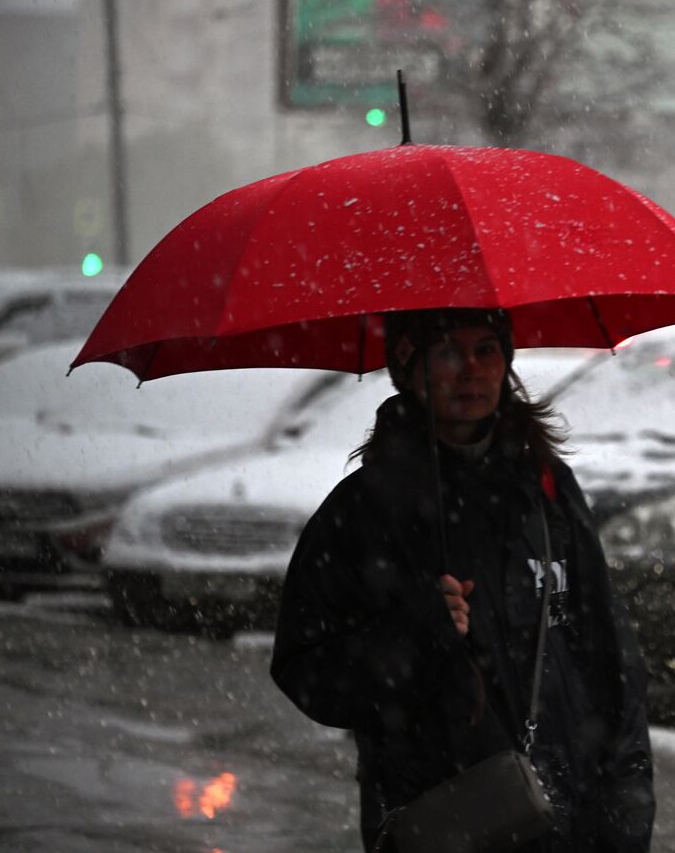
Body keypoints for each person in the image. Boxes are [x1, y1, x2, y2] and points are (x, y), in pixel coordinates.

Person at [270, 307, 654, 852]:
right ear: (409, 366)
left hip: (573, 826)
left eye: (486, 350)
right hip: (450, 824)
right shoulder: (364, 512)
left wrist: (627, 807)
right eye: (448, 352)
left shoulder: (546, 488)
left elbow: (611, 663)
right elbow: (305, 671)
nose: (470, 370)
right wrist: (416, 636)